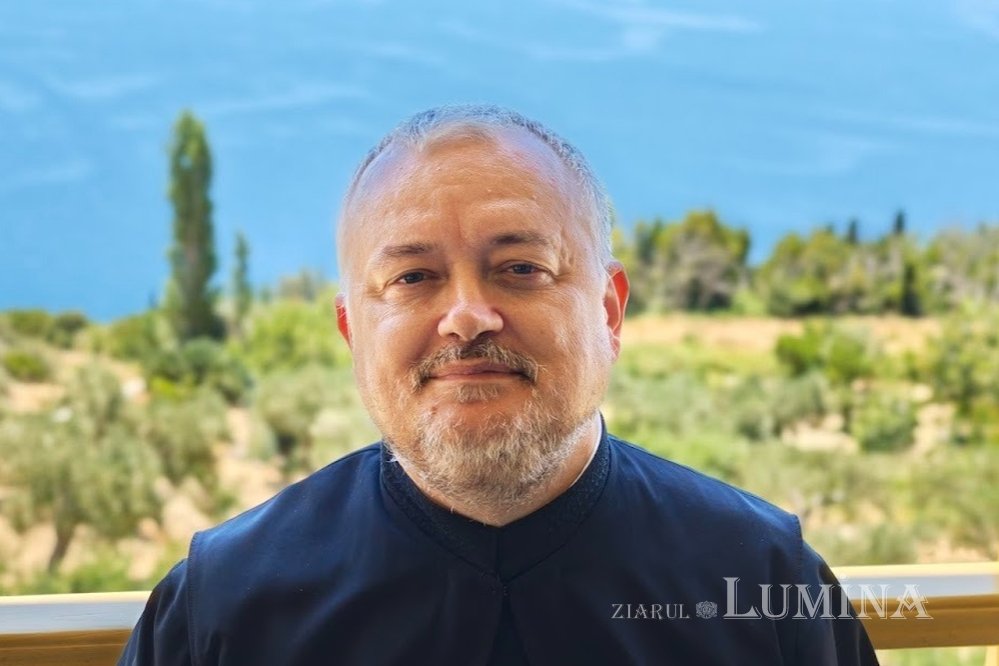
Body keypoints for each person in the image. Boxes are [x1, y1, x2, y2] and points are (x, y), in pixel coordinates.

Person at [119, 104, 879, 665]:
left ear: (608, 311)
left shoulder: (760, 578)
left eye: (520, 268)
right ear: (353, 332)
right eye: (412, 277)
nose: (466, 317)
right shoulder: (226, 605)